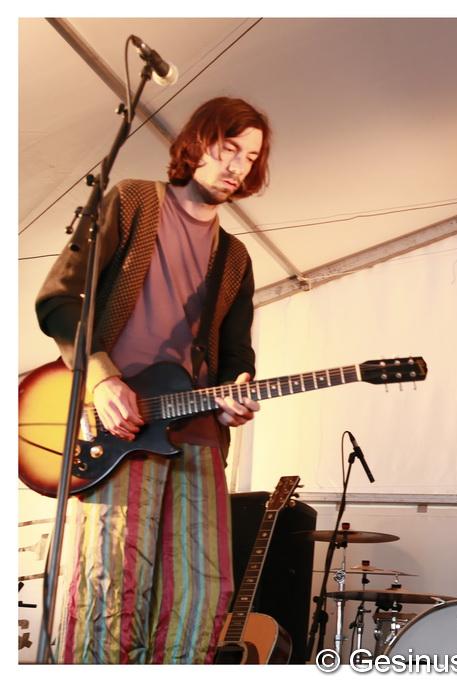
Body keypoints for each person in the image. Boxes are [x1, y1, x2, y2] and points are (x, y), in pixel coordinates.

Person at [36, 97, 272, 663]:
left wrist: (233, 397)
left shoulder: (235, 256)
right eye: (229, 148)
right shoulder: (133, 201)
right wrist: (101, 378)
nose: (237, 165)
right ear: (196, 143)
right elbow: (59, 299)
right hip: (118, 423)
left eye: (250, 157)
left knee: (200, 596)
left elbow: (236, 353)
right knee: (107, 582)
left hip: (198, 433)